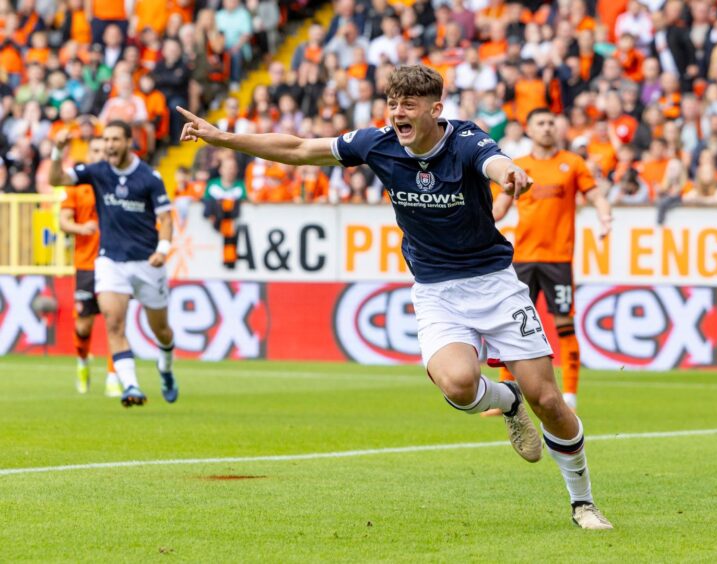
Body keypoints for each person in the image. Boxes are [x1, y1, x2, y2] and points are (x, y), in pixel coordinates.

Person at [177, 65, 612, 530]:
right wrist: (223, 138)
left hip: (493, 282)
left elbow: (496, 163)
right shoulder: (377, 143)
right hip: (435, 291)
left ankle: (582, 502)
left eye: (408, 105)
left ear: (435, 109)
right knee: (459, 387)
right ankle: (505, 399)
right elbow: (300, 148)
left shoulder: (466, 141)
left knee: (546, 398)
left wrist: (510, 176)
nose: (397, 113)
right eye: (392, 103)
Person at [49, 120, 178, 408]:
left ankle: (166, 367)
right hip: (110, 260)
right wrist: (57, 152)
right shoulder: (97, 172)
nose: (109, 145)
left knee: (162, 331)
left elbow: (167, 220)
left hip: (147, 262)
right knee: (113, 322)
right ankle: (130, 384)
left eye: (115, 139)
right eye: (106, 139)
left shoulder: (149, 177)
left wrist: (163, 249)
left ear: (129, 141)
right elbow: (56, 179)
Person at [491, 108, 612, 413]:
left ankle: (569, 394)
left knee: (564, 325)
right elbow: (499, 207)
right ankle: (507, 395)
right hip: (523, 259)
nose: (546, 128)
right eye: (540, 124)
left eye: (550, 123)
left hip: (558, 258)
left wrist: (605, 216)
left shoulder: (572, 164)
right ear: (529, 130)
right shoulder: (520, 168)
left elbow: (595, 195)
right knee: (512, 326)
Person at [58, 136, 122, 398]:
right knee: (83, 326)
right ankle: (83, 362)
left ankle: (113, 377)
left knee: (114, 320)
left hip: (115, 261)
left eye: (104, 149)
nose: (101, 153)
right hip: (86, 263)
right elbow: (63, 221)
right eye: (95, 150)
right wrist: (80, 228)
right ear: (90, 153)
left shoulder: (120, 183)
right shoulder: (77, 186)